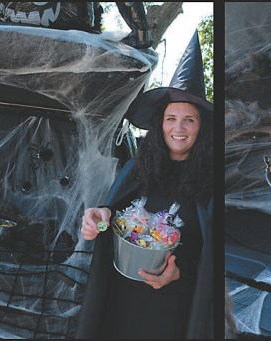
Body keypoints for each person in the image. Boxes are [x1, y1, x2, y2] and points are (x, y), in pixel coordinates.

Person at [76, 29, 214, 339]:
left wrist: (181, 271)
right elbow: (108, 214)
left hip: (170, 311)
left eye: (189, 119)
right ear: (159, 124)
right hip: (119, 303)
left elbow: (210, 253)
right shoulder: (136, 169)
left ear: (201, 127)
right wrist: (98, 216)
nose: (178, 127)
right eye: (170, 118)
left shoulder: (211, 182)